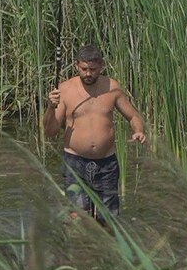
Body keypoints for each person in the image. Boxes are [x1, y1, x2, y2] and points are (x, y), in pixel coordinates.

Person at [43, 44, 146, 224]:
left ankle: (108, 251)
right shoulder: (64, 90)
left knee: (108, 220)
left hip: (107, 164)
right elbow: (49, 132)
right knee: (77, 219)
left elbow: (133, 115)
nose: (88, 74)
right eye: (84, 69)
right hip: (75, 163)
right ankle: (82, 250)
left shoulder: (112, 88)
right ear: (77, 66)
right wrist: (51, 108)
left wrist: (138, 131)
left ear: (101, 67)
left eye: (93, 69)